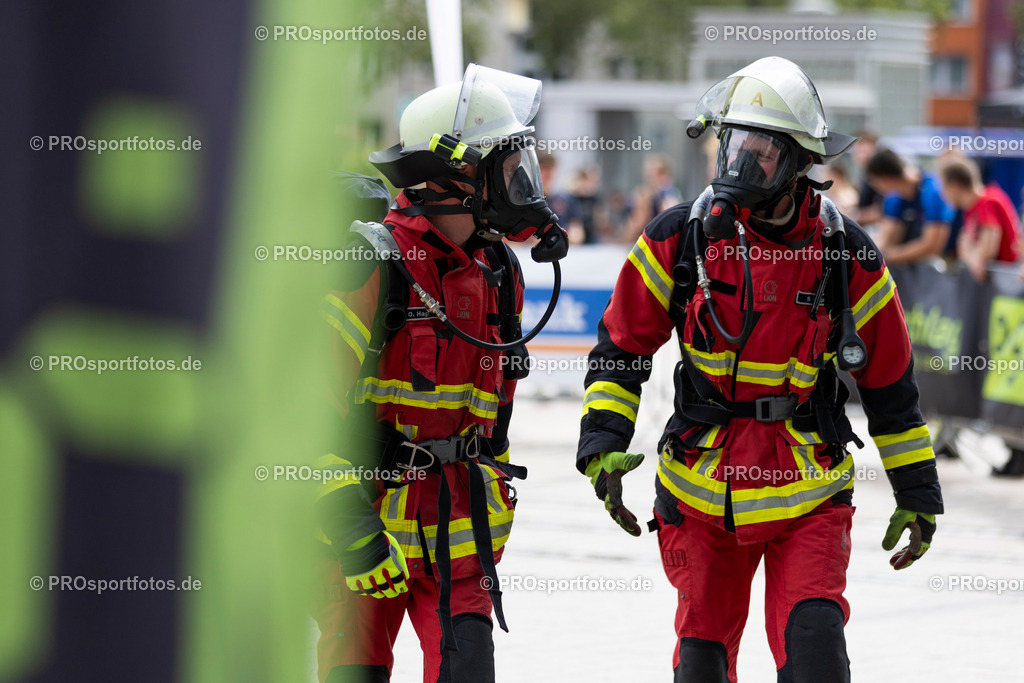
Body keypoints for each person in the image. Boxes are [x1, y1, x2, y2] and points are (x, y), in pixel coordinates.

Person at [577, 57, 943, 682]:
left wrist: (916, 490)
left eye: (761, 149)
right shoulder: (679, 237)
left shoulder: (846, 253)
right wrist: (602, 443)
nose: (739, 162)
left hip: (810, 493)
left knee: (816, 653)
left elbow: (889, 383)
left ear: (801, 160)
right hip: (700, 492)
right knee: (701, 664)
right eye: (733, 143)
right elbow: (620, 349)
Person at [313, 64, 566, 683]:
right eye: (507, 168)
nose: (521, 183)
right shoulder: (371, 267)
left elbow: (493, 410)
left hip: (461, 539)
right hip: (369, 537)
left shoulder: (500, 271)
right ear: (454, 177)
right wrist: (353, 533)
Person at [866, 149, 957, 264]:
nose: (875, 187)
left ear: (885, 179)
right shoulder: (894, 196)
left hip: (948, 262)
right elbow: (887, 240)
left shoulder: (933, 191)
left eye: (874, 182)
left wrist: (887, 256)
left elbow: (933, 247)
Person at [939, 157, 1022, 282]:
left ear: (955, 186)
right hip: (998, 282)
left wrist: (972, 256)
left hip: (1009, 280)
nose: (942, 194)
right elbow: (963, 248)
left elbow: (988, 250)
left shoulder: (987, 201)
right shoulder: (970, 208)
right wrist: (972, 256)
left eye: (944, 187)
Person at [624, 155, 683, 242]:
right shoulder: (643, 194)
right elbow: (635, 226)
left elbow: (672, 222)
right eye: (651, 175)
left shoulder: (669, 195)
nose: (654, 178)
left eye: (659, 173)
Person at [538, 151, 585, 243]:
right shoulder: (527, 201)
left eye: (552, 169)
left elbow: (577, 232)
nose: (549, 174)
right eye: (545, 169)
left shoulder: (567, 199)